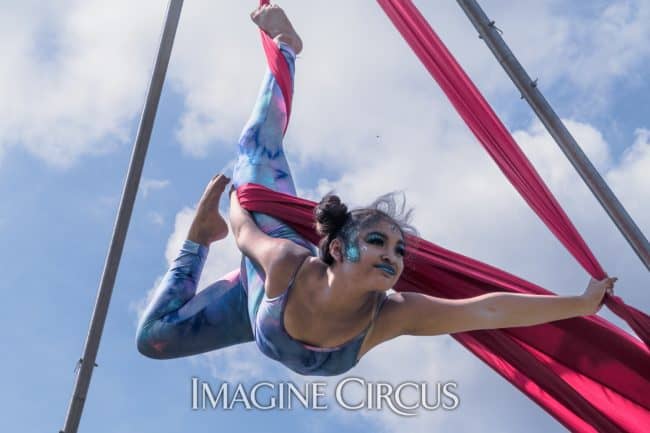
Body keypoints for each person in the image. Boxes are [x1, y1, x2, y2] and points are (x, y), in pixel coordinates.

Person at [136, 4, 617, 376]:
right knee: (255, 149)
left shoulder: (392, 315)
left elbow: (488, 308)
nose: (394, 255)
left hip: (254, 312)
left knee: (155, 338)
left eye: (399, 249)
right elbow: (244, 231)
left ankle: (204, 235)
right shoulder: (287, 260)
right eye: (378, 241)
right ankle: (285, 44)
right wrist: (231, 208)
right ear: (339, 247)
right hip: (264, 261)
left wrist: (579, 303)